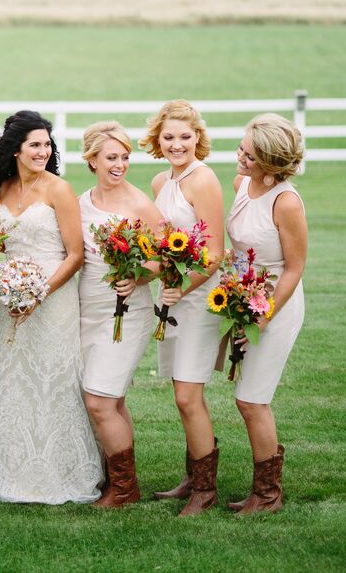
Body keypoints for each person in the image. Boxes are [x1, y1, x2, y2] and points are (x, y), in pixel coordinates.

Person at [0, 110, 102, 504]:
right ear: (15, 150)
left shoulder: (58, 190)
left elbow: (76, 255)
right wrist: (4, 289)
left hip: (52, 301)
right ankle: (8, 465)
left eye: (47, 144)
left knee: (53, 381)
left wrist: (38, 293)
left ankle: (60, 469)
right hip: (6, 301)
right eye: (35, 145)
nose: (43, 151)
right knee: (12, 381)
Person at [140, 99, 224, 515]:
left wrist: (182, 288)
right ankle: (194, 476)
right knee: (181, 392)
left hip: (198, 298)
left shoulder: (203, 180)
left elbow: (215, 253)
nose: (177, 144)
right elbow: (163, 243)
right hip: (171, 296)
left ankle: (205, 491)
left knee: (189, 395)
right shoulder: (161, 182)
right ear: (158, 140)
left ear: (198, 139)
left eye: (185, 137)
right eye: (169, 137)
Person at [225, 113, 307, 514]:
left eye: (250, 155)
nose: (241, 157)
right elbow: (242, 248)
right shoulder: (242, 184)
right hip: (245, 299)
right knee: (246, 398)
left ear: (272, 163)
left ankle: (268, 495)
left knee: (252, 400)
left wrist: (267, 312)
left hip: (277, 305)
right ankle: (263, 488)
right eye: (242, 148)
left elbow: (294, 267)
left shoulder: (286, 202)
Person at [78, 121, 163, 507]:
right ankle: (118, 481)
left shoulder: (140, 204)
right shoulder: (81, 203)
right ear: (92, 159)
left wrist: (137, 276)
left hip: (127, 313)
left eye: (125, 157)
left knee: (99, 400)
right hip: (88, 313)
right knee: (110, 400)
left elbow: (166, 260)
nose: (120, 165)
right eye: (112, 157)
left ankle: (124, 490)